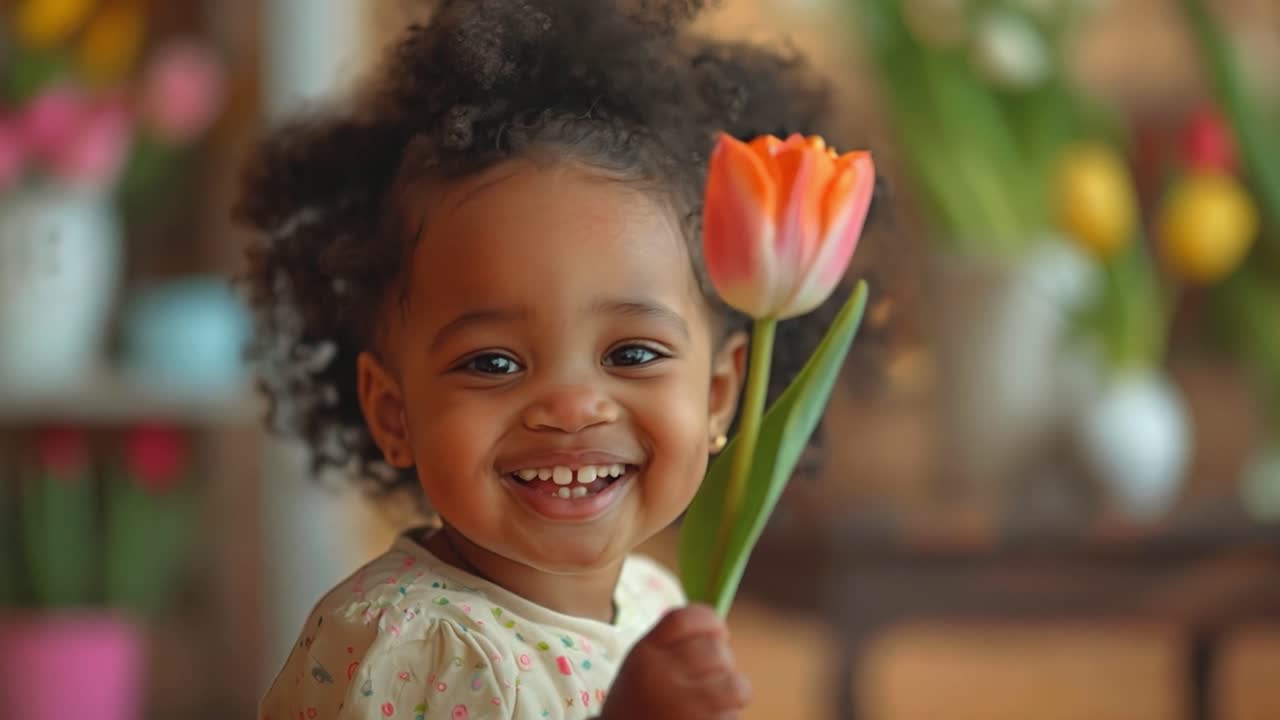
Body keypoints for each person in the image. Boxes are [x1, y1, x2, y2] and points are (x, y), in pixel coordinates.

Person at [237, 1, 879, 717]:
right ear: (393, 411)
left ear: (718, 394)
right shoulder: (414, 643)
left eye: (632, 353)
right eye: (494, 364)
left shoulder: (655, 605)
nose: (572, 405)